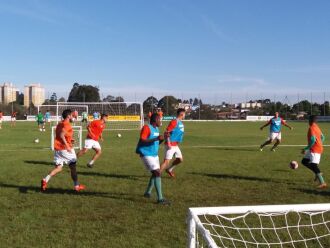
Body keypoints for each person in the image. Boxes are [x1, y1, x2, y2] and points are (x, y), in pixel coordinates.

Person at [41, 109, 85, 192]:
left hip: (58, 149)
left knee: (59, 168)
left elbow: (60, 134)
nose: (73, 117)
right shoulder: (67, 124)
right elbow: (61, 135)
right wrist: (67, 145)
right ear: (68, 116)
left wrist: (70, 139)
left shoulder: (60, 124)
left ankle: (45, 180)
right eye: (72, 115)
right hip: (65, 149)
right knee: (73, 167)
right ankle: (77, 186)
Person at [136, 113, 169, 205]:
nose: (161, 122)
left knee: (156, 173)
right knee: (157, 173)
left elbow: (156, 142)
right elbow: (142, 140)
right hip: (146, 154)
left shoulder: (156, 129)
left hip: (154, 155)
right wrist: (156, 138)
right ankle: (160, 199)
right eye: (160, 120)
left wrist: (163, 138)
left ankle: (147, 192)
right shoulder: (147, 127)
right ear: (155, 120)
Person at [301, 115, 326, 189]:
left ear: (310, 121)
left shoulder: (311, 128)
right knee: (304, 161)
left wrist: (306, 148)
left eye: (308, 120)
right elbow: (323, 137)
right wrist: (320, 143)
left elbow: (312, 140)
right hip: (314, 148)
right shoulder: (317, 126)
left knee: (314, 165)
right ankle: (318, 173)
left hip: (315, 149)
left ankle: (322, 182)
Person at [160, 108, 185, 178]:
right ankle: (156, 175)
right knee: (166, 162)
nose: (184, 116)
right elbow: (166, 132)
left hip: (175, 145)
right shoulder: (174, 122)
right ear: (182, 114)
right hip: (170, 144)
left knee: (180, 159)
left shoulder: (180, 123)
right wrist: (168, 142)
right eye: (184, 114)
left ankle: (169, 169)